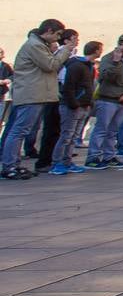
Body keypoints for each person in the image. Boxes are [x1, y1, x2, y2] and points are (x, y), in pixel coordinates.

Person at [3, 20, 75, 180]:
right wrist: (66, 50)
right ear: (49, 31)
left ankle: (14, 164)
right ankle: (9, 166)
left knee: (21, 131)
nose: (58, 39)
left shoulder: (39, 45)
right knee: (18, 131)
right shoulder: (35, 45)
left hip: (35, 94)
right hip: (31, 95)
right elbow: (51, 65)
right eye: (57, 35)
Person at [88, 34, 123, 169]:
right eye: (120, 44)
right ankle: (93, 157)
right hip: (108, 98)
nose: (122, 47)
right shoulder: (108, 58)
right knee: (101, 128)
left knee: (113, 130)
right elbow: (105, 77)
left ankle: (109, 156)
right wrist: (116, 63)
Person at [33, 28, 79, 173]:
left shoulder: (71, 54)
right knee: (51, 129)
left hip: (63, 94)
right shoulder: (59, 52)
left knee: (60, 130)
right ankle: (44, 161)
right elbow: (54, 67)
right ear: (66, 40)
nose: (77, 41)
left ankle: (58, 159)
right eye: (74, 38)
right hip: (55, 95)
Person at [52, 40, 101, 175]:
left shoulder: (89, 66)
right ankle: (57, 162)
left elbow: (89, 86)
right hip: (74, 106)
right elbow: (69, 86)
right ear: (96, 50)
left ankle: (67, 161)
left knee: (73, 136)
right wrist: (74, 103)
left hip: (83, 105)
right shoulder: (77, 65)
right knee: (66, 135)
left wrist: (88, 102)